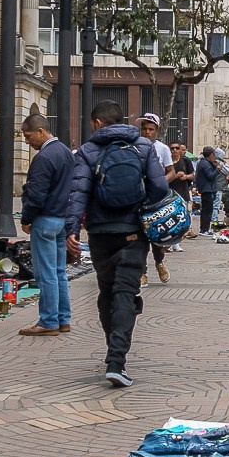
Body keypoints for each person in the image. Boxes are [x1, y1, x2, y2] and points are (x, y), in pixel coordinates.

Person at [63, 100, 169, 386]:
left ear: (97, 123)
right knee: (126, 292)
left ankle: (113, 348)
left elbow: (78, 194)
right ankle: (116, 361)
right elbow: (160, 188)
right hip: (134, 231)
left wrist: (71, 230)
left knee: (107, 292)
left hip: (99, 234)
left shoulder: (87, 151)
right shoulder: (144, 147)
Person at [17, 113, 77, 337]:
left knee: (46, 273)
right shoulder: (65, 152)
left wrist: (26, 218)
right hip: (61, 218)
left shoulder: (44, 157)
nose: (27, 141)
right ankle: (63, 318)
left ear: (41, 132)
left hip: (45, 219)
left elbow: (37, 194)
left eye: (28, 135)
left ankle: (48, 320)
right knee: (59, 271)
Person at [138, 113, 176, 284]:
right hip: (139, 199)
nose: (147, 132)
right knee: (140, 236)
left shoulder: (163, 149)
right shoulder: (134, 146)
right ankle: (142, 272)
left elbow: (171, 171)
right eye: (144, 129)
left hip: (157, 200)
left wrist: (159, 183)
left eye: (150, 129)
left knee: (157, 236)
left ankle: (159, 261)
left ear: (157, 131)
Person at [193, 146, 224, 234]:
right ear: (210, 154)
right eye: (213, 154)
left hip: (207, 189)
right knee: (207, 210)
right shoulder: (205, 164)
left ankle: (204, 228)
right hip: (207, 189)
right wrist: (217, 169)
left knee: (206, 210)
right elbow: (210, 176)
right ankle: (205, 229)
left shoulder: (204, 163)